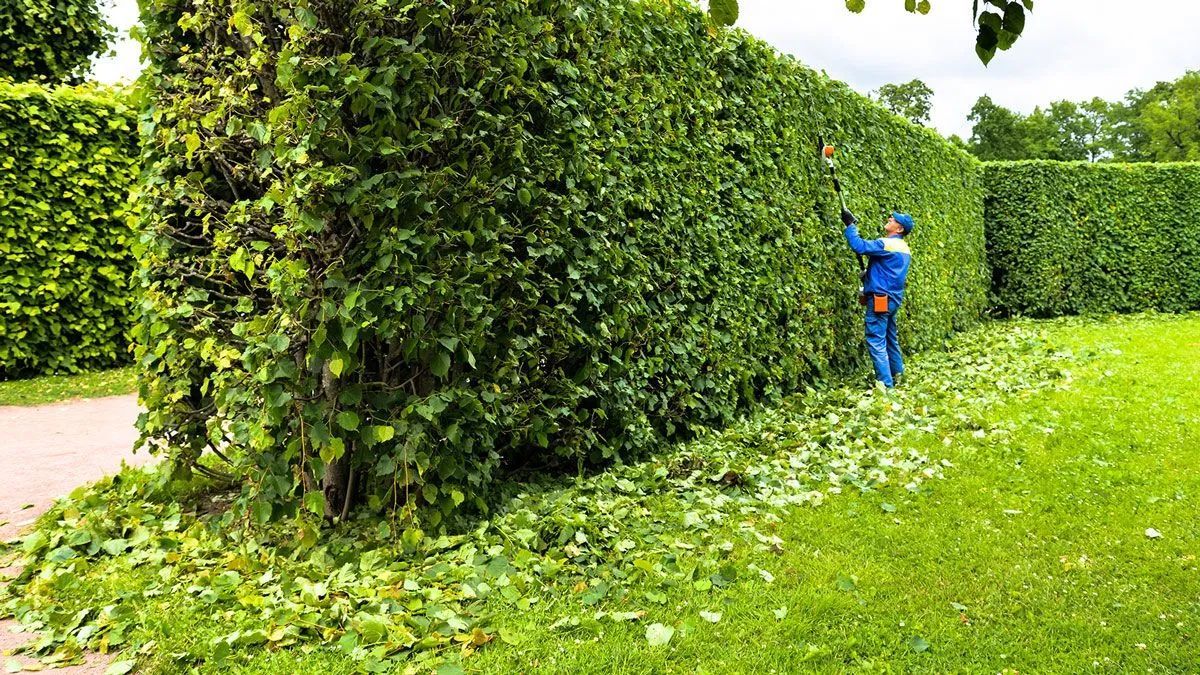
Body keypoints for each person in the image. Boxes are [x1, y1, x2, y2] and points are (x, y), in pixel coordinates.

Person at [839, 209, 914, 388]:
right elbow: (889, 273)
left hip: (880, 299)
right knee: (889, 338)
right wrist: (870, 275)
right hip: (893, 299)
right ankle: (898, 376)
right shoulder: (904, 248)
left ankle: (886, 386)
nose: (890, 219)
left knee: (875, 339)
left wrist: (850, 225)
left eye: (894, 219)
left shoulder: (886, 244)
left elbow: (859, 246)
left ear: (899, 229)